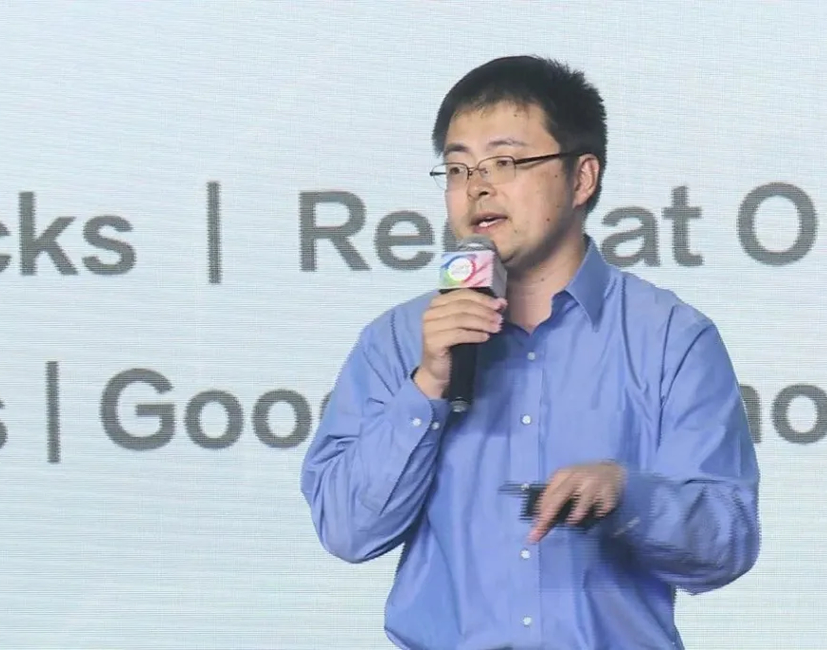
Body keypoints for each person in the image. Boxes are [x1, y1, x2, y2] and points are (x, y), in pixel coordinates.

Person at [301, 56, 760, 649]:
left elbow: (727, 544)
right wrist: (429, 385)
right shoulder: (398, 341)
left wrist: (628, 495)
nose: (478, 187)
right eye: (458, 168)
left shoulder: (671, 338)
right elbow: (346, 530)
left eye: (506, 162)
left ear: (581, 178)